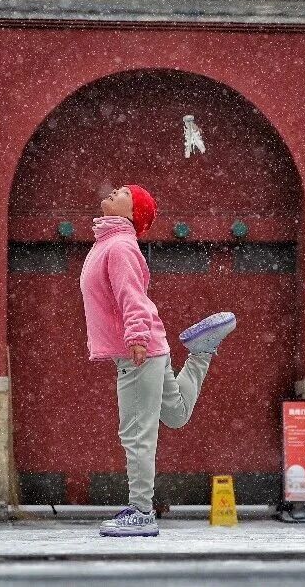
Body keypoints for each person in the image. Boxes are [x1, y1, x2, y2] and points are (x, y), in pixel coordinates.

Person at [83, 184, 237, 538]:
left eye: (124, 191)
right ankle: (202, 350)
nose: (114, 190)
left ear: (132, 212)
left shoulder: (120, 246)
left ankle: (141, 512)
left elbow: (131, 296)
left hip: (138, 351)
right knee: (177, 415)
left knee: (137, 434)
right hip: (148, 346)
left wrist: (136, 337)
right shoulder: (108, 242)